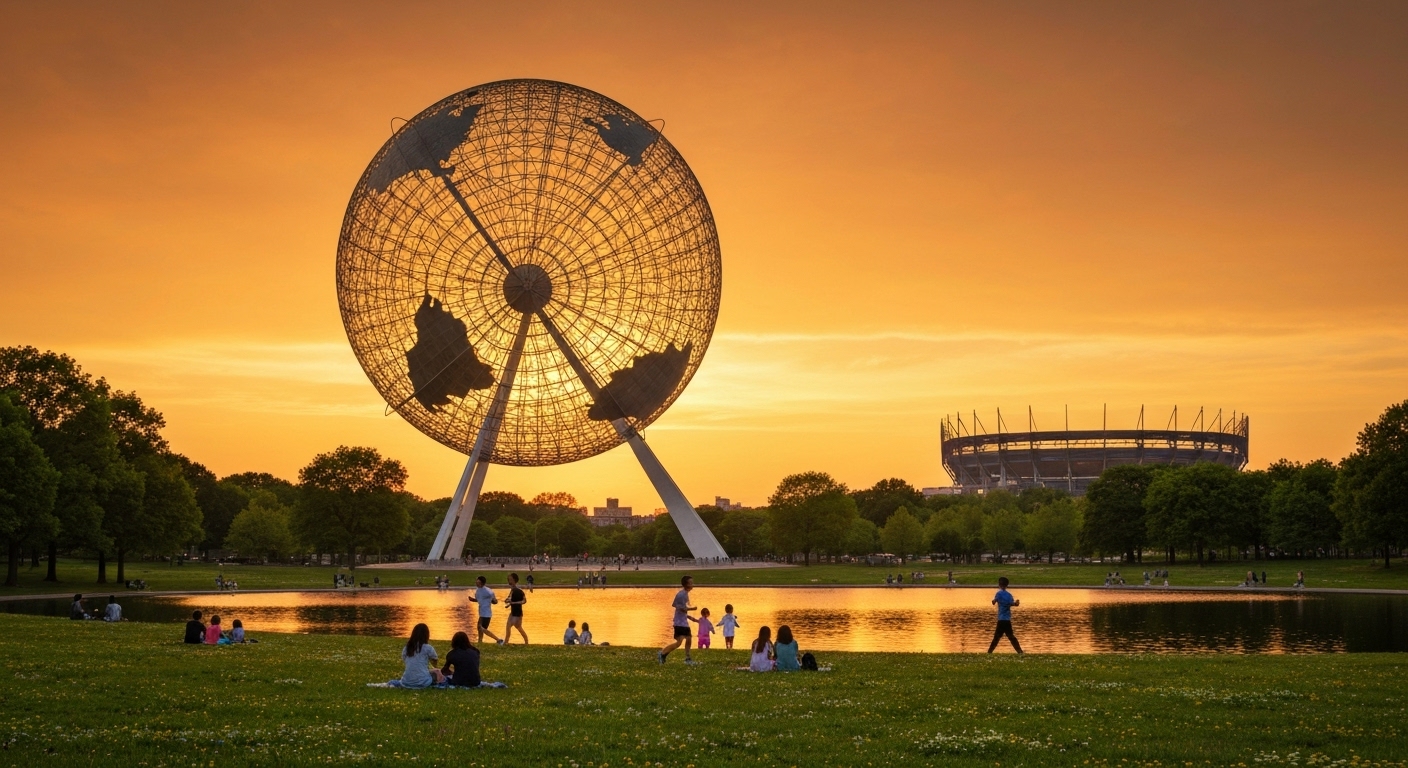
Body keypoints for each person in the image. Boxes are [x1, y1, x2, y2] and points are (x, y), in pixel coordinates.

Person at [658, 575, 696, 664]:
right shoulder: (681, 595)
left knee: (689, 638)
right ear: (686, 584)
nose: (692, 585)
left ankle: (688, 658)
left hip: (683, 621)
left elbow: (678, 606)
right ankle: (662, 653)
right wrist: (692, 609)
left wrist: (687, 614)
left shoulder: (685, 594)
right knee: (679, 642)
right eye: (691, 583)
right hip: (679, 622)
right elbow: (678, 607)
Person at [987, 576, 1024, 654]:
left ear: (999, 585)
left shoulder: (998, 593)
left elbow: (994, 601)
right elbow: (1013, 604)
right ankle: (1020, 651)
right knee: (1011, 637)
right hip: (1007, 620)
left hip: (1001, 619)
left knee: (996, 637)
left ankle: (989, 652)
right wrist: (1016, 603)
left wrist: (994, 601)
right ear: (1007, 585)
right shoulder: (1009, 595)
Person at [400, 623, 443, 688]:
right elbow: (435, 661)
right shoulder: (428, 648)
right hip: (423, 682)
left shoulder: (407, 648)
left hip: (406, 682)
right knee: (437, 673)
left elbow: (404, 659)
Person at [472, 576, 504, 645]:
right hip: (481, 612)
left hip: (486, 613)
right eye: (476, 581)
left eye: (478, 581)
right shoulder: (478, 591)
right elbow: (480, 600)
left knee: (481, 628)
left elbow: (495, 601)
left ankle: (498, 640)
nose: (476, 582)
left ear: (481, 583)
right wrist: (473, 600)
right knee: (480, 628)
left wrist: (493, 600)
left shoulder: (488, 592)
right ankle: (480, 642)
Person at [504, 573, 529, 644]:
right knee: (512, 627)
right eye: (508, 579)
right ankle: (506, 642)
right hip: (513, 612)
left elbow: (524, 601)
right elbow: (509, 599)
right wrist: (508, 602)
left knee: (516, 627)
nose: (509, 581)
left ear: (514, 580)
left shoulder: (518, 591)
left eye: (510, 579)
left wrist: (513, 603)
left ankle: (526, 642)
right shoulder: (512, 590)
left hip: (517, 613)